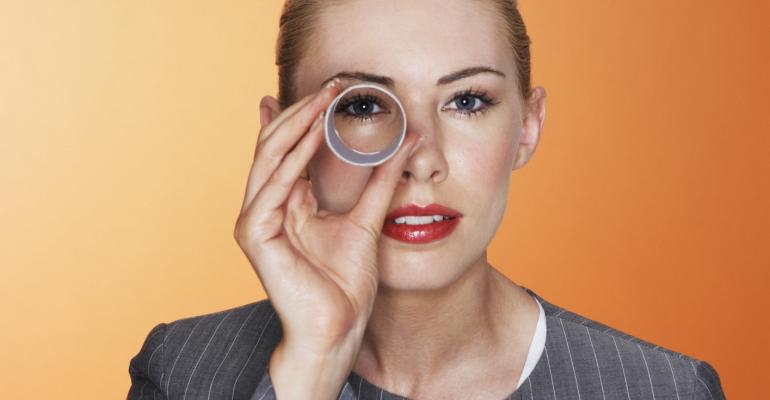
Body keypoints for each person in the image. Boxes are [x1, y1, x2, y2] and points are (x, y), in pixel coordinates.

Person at [126, 0, 727, 399]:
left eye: (467, 101)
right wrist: (311, 364)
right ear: (283, 137)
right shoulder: (183, 372)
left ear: (528, 125)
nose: (419, 158)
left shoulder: (659, 389)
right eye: (362, 105)